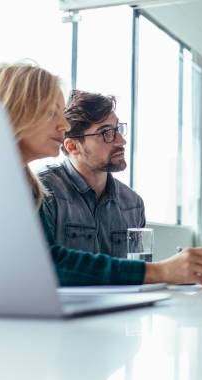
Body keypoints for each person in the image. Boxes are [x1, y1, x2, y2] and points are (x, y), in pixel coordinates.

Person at [0, 62, 202, 287]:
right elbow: (47, 265)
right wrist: (160, 271)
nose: (63, 125)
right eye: (51, 113)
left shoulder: (25, 183)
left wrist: (160, 272)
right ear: (17, 112)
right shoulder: (30, 187)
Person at [38, 90, 145, 258]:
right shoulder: (43, 193)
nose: (121, 141)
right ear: (72, 147)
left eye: (118, 129)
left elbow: (139, 271)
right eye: (106, 133)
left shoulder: (133, 204)